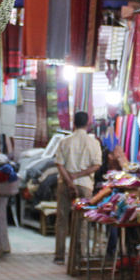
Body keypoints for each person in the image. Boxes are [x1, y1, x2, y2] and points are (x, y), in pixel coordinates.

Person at [51, 111, 101, 265]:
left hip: (64, 185)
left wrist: (70, 181)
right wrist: (79, 176)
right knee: (83, 220)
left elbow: (59, 163)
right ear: (88, 124)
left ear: (74, 124)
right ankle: (80, 255)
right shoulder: (94, 142)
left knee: (62, 219)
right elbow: (96, 165)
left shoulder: (65, 141)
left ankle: (59, 256)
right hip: (85, 185)